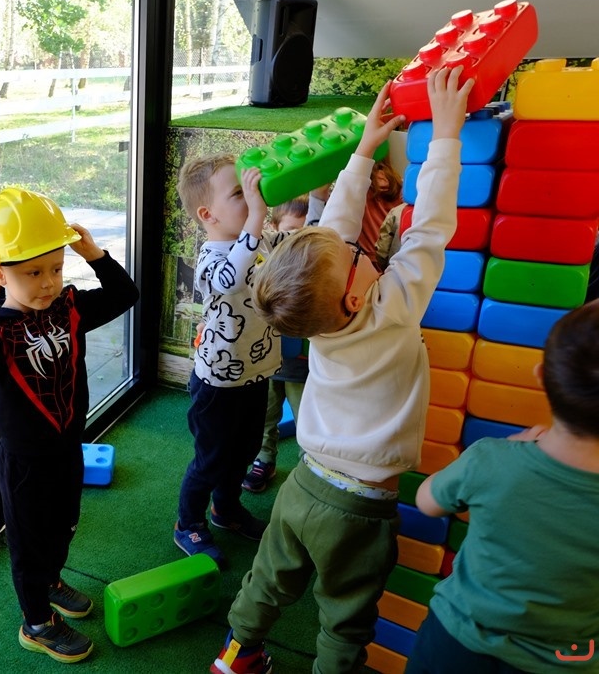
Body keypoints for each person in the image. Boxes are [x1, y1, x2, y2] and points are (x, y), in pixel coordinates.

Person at [210, 66, 472, 674]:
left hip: (303, 486)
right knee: (345, 617)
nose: (357, 245)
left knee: (268, 580)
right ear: (355, 294)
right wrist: (446, 136)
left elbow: (335, 232)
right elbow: (431, 229)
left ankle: (234, 655)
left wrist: (361, 152)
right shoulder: (394, 307)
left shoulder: (318, 317)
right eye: (356, 255)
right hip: (359, 508)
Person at [0, 187, 139, 664]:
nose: (48, 283)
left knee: (63, 527)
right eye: (33, 273)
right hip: (22, 462)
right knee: (28, 543)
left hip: (66, 449)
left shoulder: (69, 308)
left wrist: (94, 255)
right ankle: (36, 622)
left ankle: (52, 581)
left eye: (56, 268)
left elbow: (126, 294)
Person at [405, 300, 599, 673]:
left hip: (453, 643)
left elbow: (427, 501)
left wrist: (508, 452)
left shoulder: (491, 459)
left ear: (541, 376)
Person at [174, 153, 294, 569]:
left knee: (244, 450)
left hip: (256, 374)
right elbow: (230, 281)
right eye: (240, 193)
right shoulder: (211, 259)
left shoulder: (260, 241)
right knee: (211, 460)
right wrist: (256, 218)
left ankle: (225, 509)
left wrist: (313, 196)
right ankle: (188, 523)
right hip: (217, 384)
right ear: (208, 215)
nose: (252, 198)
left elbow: (298, 238)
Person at [243, 193, 323, 493]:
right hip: (267, 360)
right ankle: (265, 459)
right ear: (274, 229)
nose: (294, 241)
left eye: (302, 234)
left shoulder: (314, 269)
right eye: (289, 232)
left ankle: (309, 469)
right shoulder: (262, 265)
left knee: (307, 420)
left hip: (301, 363)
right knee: (265, 415)